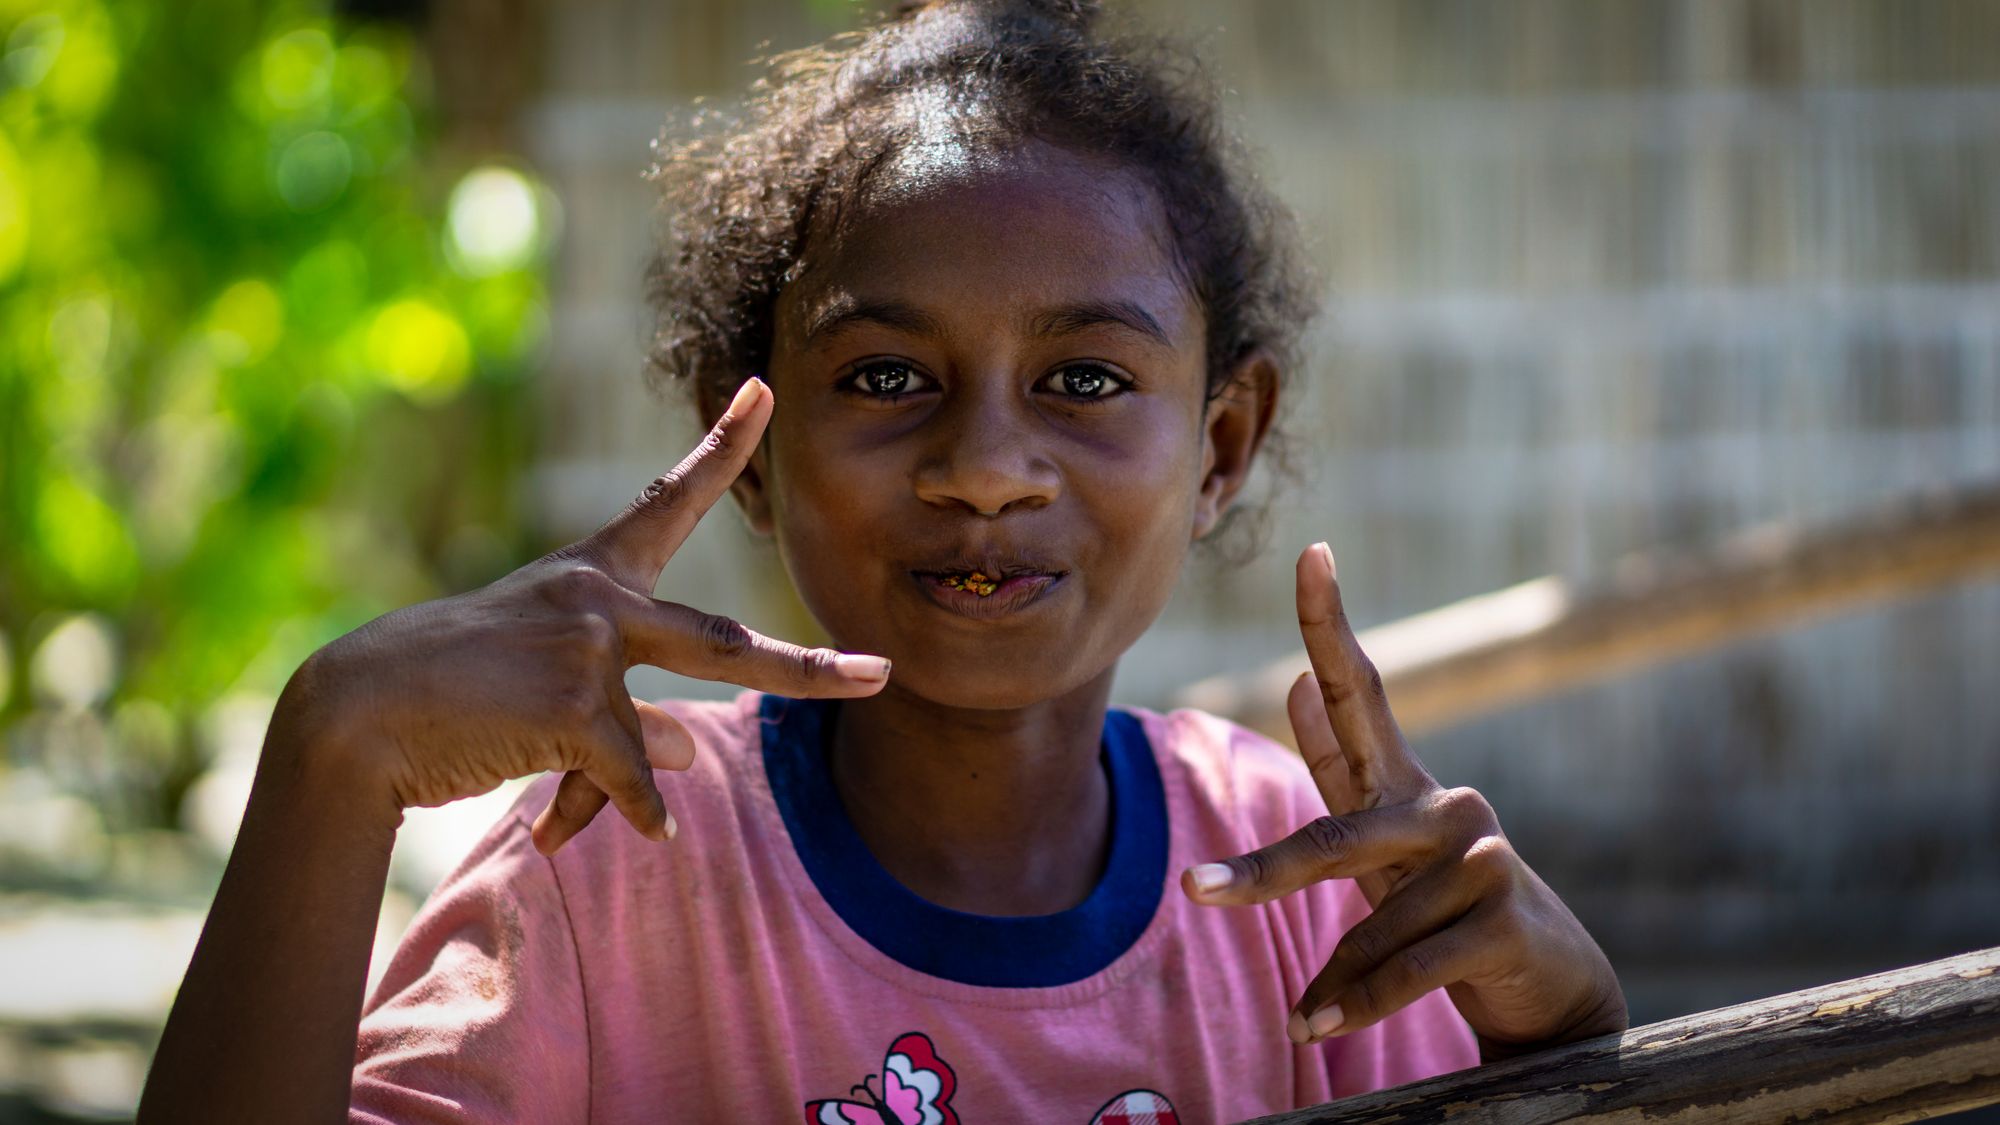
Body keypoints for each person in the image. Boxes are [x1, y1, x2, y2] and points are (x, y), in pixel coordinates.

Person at [139, 1, 1626, 1120]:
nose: (985, 465)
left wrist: (1571, 1040)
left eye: (1087, 380)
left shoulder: (1304, 890)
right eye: (884, 377)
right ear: (754, 443)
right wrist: (332, 751)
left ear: (1223, 443)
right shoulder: (605, 858)